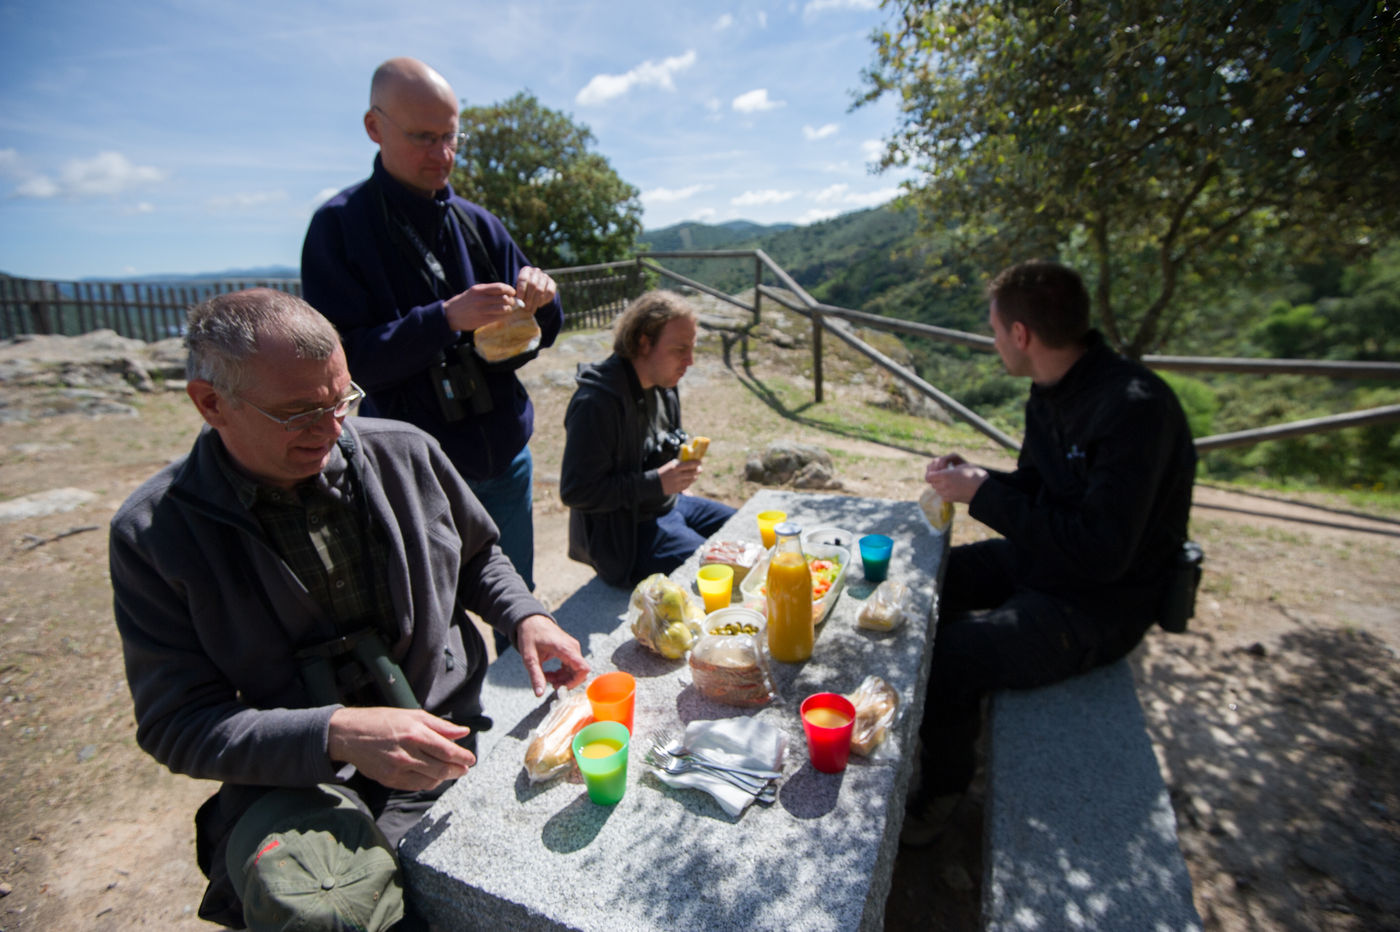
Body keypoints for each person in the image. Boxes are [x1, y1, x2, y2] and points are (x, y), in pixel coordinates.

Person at [109, 289, 589, 930]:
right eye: (297, 414)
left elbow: (476, 556)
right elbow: (177, 724)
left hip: (444, 743)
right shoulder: (153, 534)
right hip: (294, 782)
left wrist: (526, 616)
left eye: (341, 400)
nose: (333, 430)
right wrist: (334, 732)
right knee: (334, 913)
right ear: (210, 403)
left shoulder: (403, 451)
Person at [902, 260, 1196, 845]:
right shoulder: (1051, 392)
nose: (993, 343)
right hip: (1048, 562)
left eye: (994, 331)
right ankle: (942, 722)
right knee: (926, 583)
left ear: (1020, 335)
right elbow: (1044, 489)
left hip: (1102, 605)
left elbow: (1102, 552)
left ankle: (942, 792)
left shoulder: (1136, 408)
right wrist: (981, 480)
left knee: (953, 656)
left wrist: (986, 497)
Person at [301, 56, 560, 624]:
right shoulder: (339, 228)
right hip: (413, 474)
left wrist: (544, 296)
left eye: (450, 137)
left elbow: (538, 335)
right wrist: (443, 318)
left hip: (506, 459)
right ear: (375, 127)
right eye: (423, 137)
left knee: (520, 604)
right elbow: (341, 366)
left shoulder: (477, 223)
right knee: (434, 621)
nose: (442, 155)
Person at [560, 290, 736, 587]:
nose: (690, 361)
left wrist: (677, 474)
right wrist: (657, 482)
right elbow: (577, 491)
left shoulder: (665, 384)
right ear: (643, 342)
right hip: (627, 536)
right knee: (721, 571)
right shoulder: (596, 403)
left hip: (669, 503)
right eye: (680, 349)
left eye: (691, 349)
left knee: (747, 531)